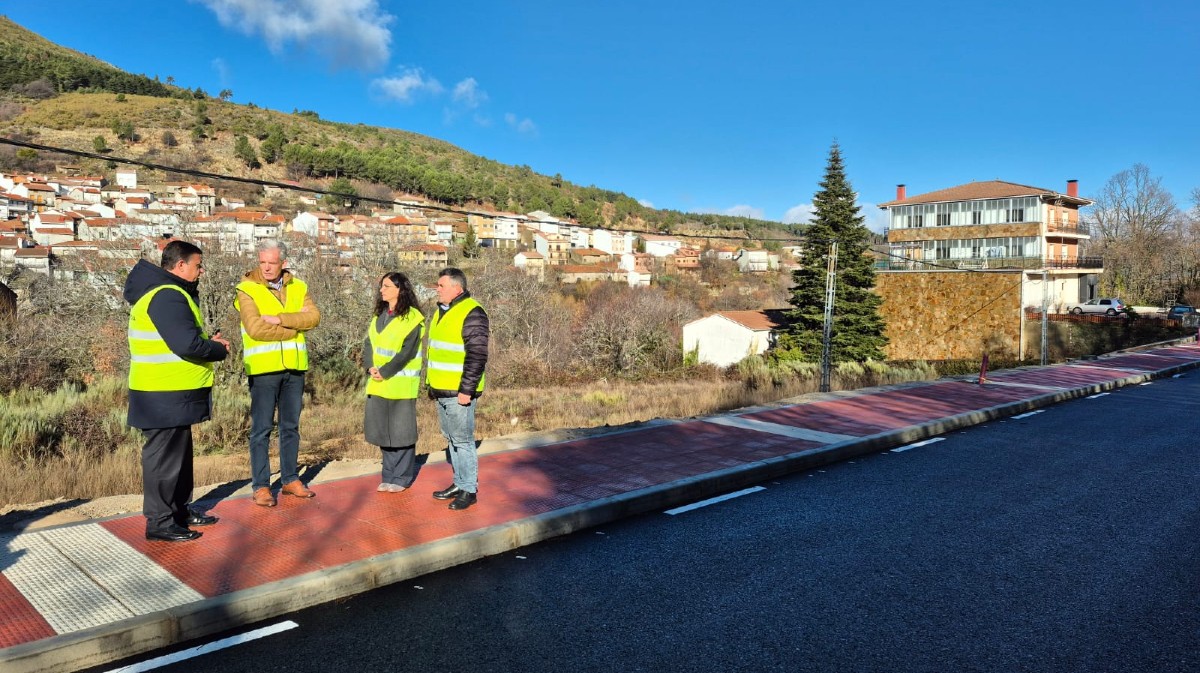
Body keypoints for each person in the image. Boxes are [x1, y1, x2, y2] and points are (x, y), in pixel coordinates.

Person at [125, 240, 230, 542]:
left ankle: (178, 511)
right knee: (163, 460)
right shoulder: (167, 295)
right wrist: (217, 349)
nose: (201, 271)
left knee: (178, 459)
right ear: (180, 265)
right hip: (161, 393)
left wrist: (207, 341)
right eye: (198, 265)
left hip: (171, 391)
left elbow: (182, 337)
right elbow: (187, 345)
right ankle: (160, 522)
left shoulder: (169, 293)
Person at [234, 239, 321, 507]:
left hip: (294, 368)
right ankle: (261, 486)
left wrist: (281, 319)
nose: (266, 267)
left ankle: (290, 479)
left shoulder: (299, 286)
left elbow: (314, 318)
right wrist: (295, 327)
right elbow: (255, 329)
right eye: (262, 262)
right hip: (264, 370)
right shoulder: (247, 289)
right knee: (261, 429)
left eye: (272, 262)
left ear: (283, 263)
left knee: (290, 427)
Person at [427, 267, 489, 510]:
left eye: (441, 285)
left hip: (459, 392)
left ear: (457, 288)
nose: (437, 289)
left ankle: (469, 490)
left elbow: (477, 355)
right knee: (451, 439)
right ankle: (459, 483)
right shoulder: (441, 311)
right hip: (441, 390)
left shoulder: (472, 312)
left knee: (462, 441)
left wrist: (467, 390)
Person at [363, 272, 425, 492]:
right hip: (378, 384)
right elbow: (369, 343)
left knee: (401, 434)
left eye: (387, 286)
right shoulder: (379, 315)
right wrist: (370, 366)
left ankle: (402, 478)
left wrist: (385, 371)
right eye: (382, 286)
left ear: (400, 289)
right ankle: (388, 475)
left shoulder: (412, 318)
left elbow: (407, 352)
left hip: (400, 385)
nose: (381, 290)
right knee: (384, 433)